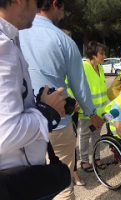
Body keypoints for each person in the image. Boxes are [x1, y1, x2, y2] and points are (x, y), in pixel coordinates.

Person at [19, 1, 103, 199]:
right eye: (63, 6)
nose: (64, 12)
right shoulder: (63, 40)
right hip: (56, 123)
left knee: (25, 184)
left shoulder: (14, 32)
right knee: (61, 183)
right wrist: (92, 114)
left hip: (19, 124)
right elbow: (80, 86)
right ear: (55, 4)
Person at [0, 0, 66, 198]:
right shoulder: (3, 48)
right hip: (15, 184)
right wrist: (45, 112)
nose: (38, 9)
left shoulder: (11, 39)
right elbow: (5, 132)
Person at [77, 41, 109, 172]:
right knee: (85, 135)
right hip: (87, 111)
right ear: (93, 55)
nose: (104, 56)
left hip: (100, 111)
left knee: (96, 135)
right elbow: (76, 87)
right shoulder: (83, 67)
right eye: (101, 53)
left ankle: (96, 157)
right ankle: (84, 160)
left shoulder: (100, 68)